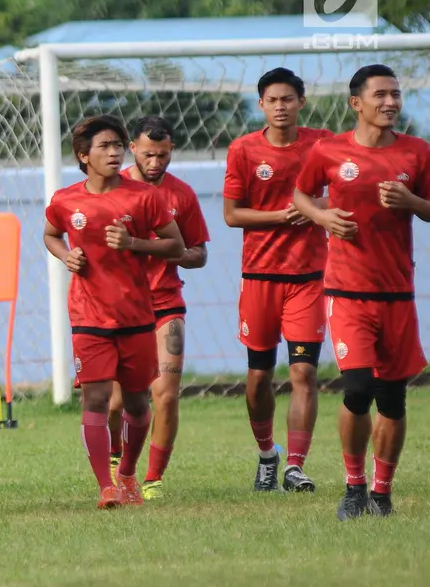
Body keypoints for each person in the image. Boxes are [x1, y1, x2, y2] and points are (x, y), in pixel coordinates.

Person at [293, 64, 430, 520]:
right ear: (357, 103)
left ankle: (382, 493)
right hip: (347, 292)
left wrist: (412, 204)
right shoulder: (328, 151)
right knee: (357, 389)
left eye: (396, 94)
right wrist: (323, 217)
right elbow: (301, 195)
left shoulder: (417, 152)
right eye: (381, 95)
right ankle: (353, 487)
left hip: (397, 294)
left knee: (393, 398)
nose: (390, 102)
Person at [43, 115, 184, 509]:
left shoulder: (143, 197)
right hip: (88, 317)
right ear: (83, 155)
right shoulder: (65, 200)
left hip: (137, 315)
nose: (115, 151)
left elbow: (175, 246)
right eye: (105, 146)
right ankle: (106, 486)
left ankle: (127, 475)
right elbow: (51, 233)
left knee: (139, 404)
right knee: (96, 399)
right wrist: (65, 255)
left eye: (119, 145)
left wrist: (135, 243)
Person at [223, 68, 334, 493]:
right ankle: (267, 453)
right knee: (258, 378)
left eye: (288, 99)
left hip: (308, 277)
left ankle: (296, 466)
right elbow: (233, 214)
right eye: (273, 100)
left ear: (301, 103)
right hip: (260, 278)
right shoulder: (244, 150)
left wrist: (312, 207)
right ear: (261, 105)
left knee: (304, 373)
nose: (281, 106)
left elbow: (343, 192)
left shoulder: (321, 143)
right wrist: (281, 215)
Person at [109, 116, 210, 500]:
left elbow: (200, 253)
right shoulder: (110, 187)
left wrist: (176, 252)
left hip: (166, 305)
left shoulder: (181, 195)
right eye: (149, 154)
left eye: (163, 155)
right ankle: (117, 461)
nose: (156, 162)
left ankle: (152, 479)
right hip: (118, 309)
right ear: (132, 149)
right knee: (114, 402)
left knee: (165, 394)